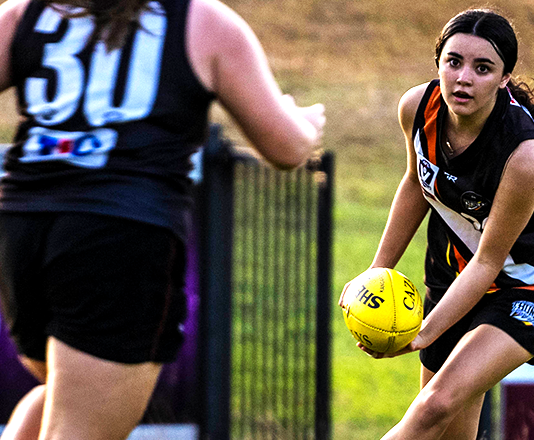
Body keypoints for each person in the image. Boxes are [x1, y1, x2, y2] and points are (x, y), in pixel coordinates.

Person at [0, 0, 325, 437]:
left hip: (22, 230)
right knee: (77, 423)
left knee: (63, 397)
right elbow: (286, 147)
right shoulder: (201, 21)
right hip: (120, 234)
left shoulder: (25, 13)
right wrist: (304, 122)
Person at [347, 8, 534, 440]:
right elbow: (417, 182)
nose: (464, 78)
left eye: (483, 67)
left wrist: (424, 332)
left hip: (528, 286)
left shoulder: (524, 154)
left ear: (504, 78)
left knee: (434, 404)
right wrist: (374, 274)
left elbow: (490, 262)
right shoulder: (416, 108)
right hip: (451, 276)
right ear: (438, 64)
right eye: (453, 62)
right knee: (447, 431)